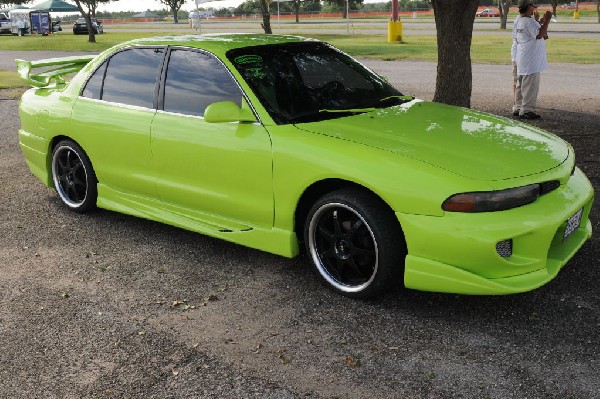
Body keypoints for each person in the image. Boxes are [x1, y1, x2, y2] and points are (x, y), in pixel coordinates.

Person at [513, 0, 552, 120]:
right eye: (532, 6)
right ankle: (527, 110)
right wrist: (548, 20)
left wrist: (540, 22)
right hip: (531, 59)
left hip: (522, 56)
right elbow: (540, 35)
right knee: (530, 85)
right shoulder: (529, 22)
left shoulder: (518, 20)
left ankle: (518, 107)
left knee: (521, 84)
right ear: (529, 8)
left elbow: (538, 34)